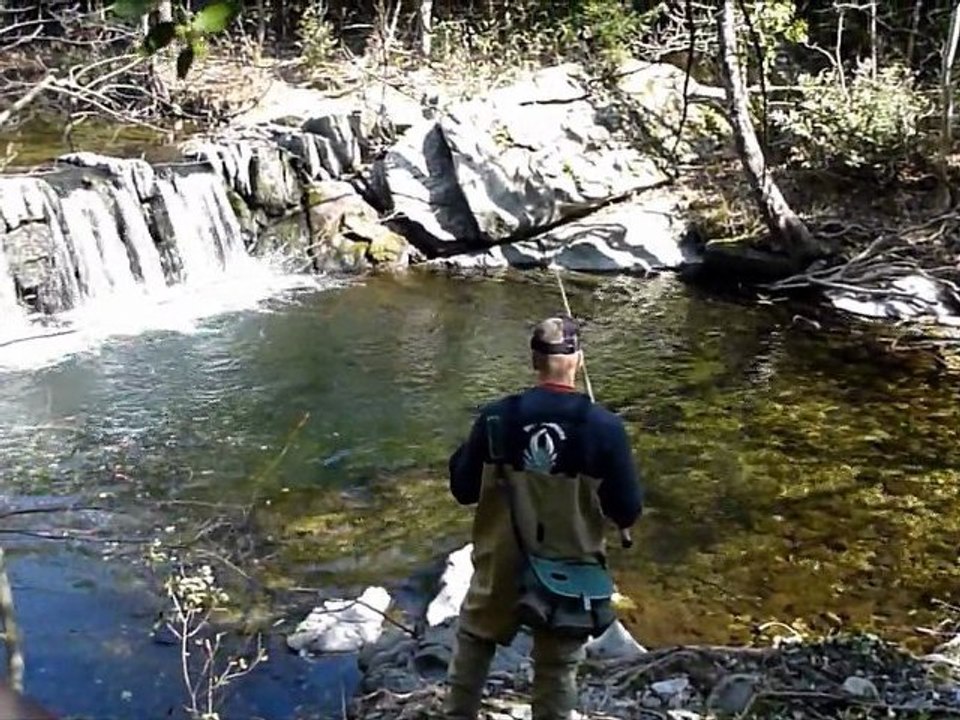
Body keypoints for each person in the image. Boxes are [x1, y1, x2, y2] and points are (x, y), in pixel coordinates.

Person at [444, 315, 643, 720]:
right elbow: (627, 509)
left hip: (501, 562)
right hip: (571, 567)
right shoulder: (605, 427)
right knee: (556, 667)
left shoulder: (496, 418)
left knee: (476, 640)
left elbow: (463, 490)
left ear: (534, 360)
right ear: (579, 362)